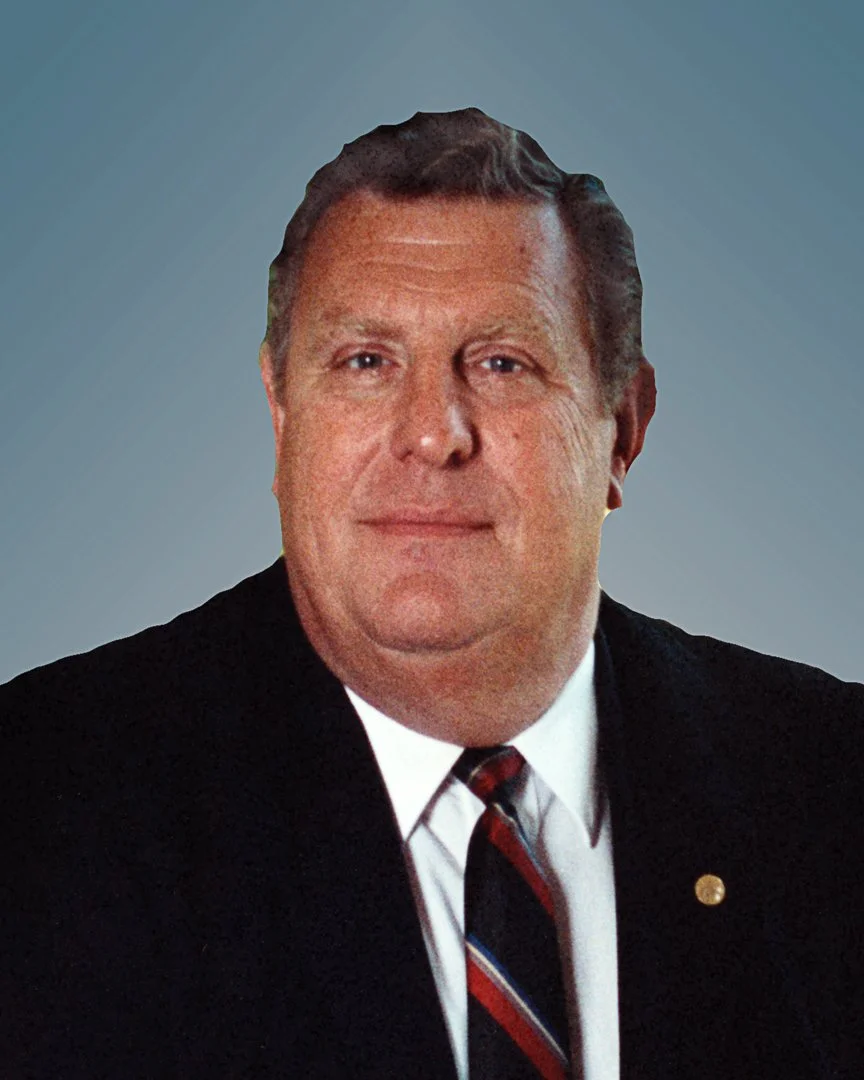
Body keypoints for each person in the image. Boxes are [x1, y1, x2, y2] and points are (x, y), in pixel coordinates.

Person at [1, 109, 860, 1080]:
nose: (433, 433)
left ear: (622, 429)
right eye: (366, 362)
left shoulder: (830, 785)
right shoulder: (41, 799)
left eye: (502, 363)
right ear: (282, 417)